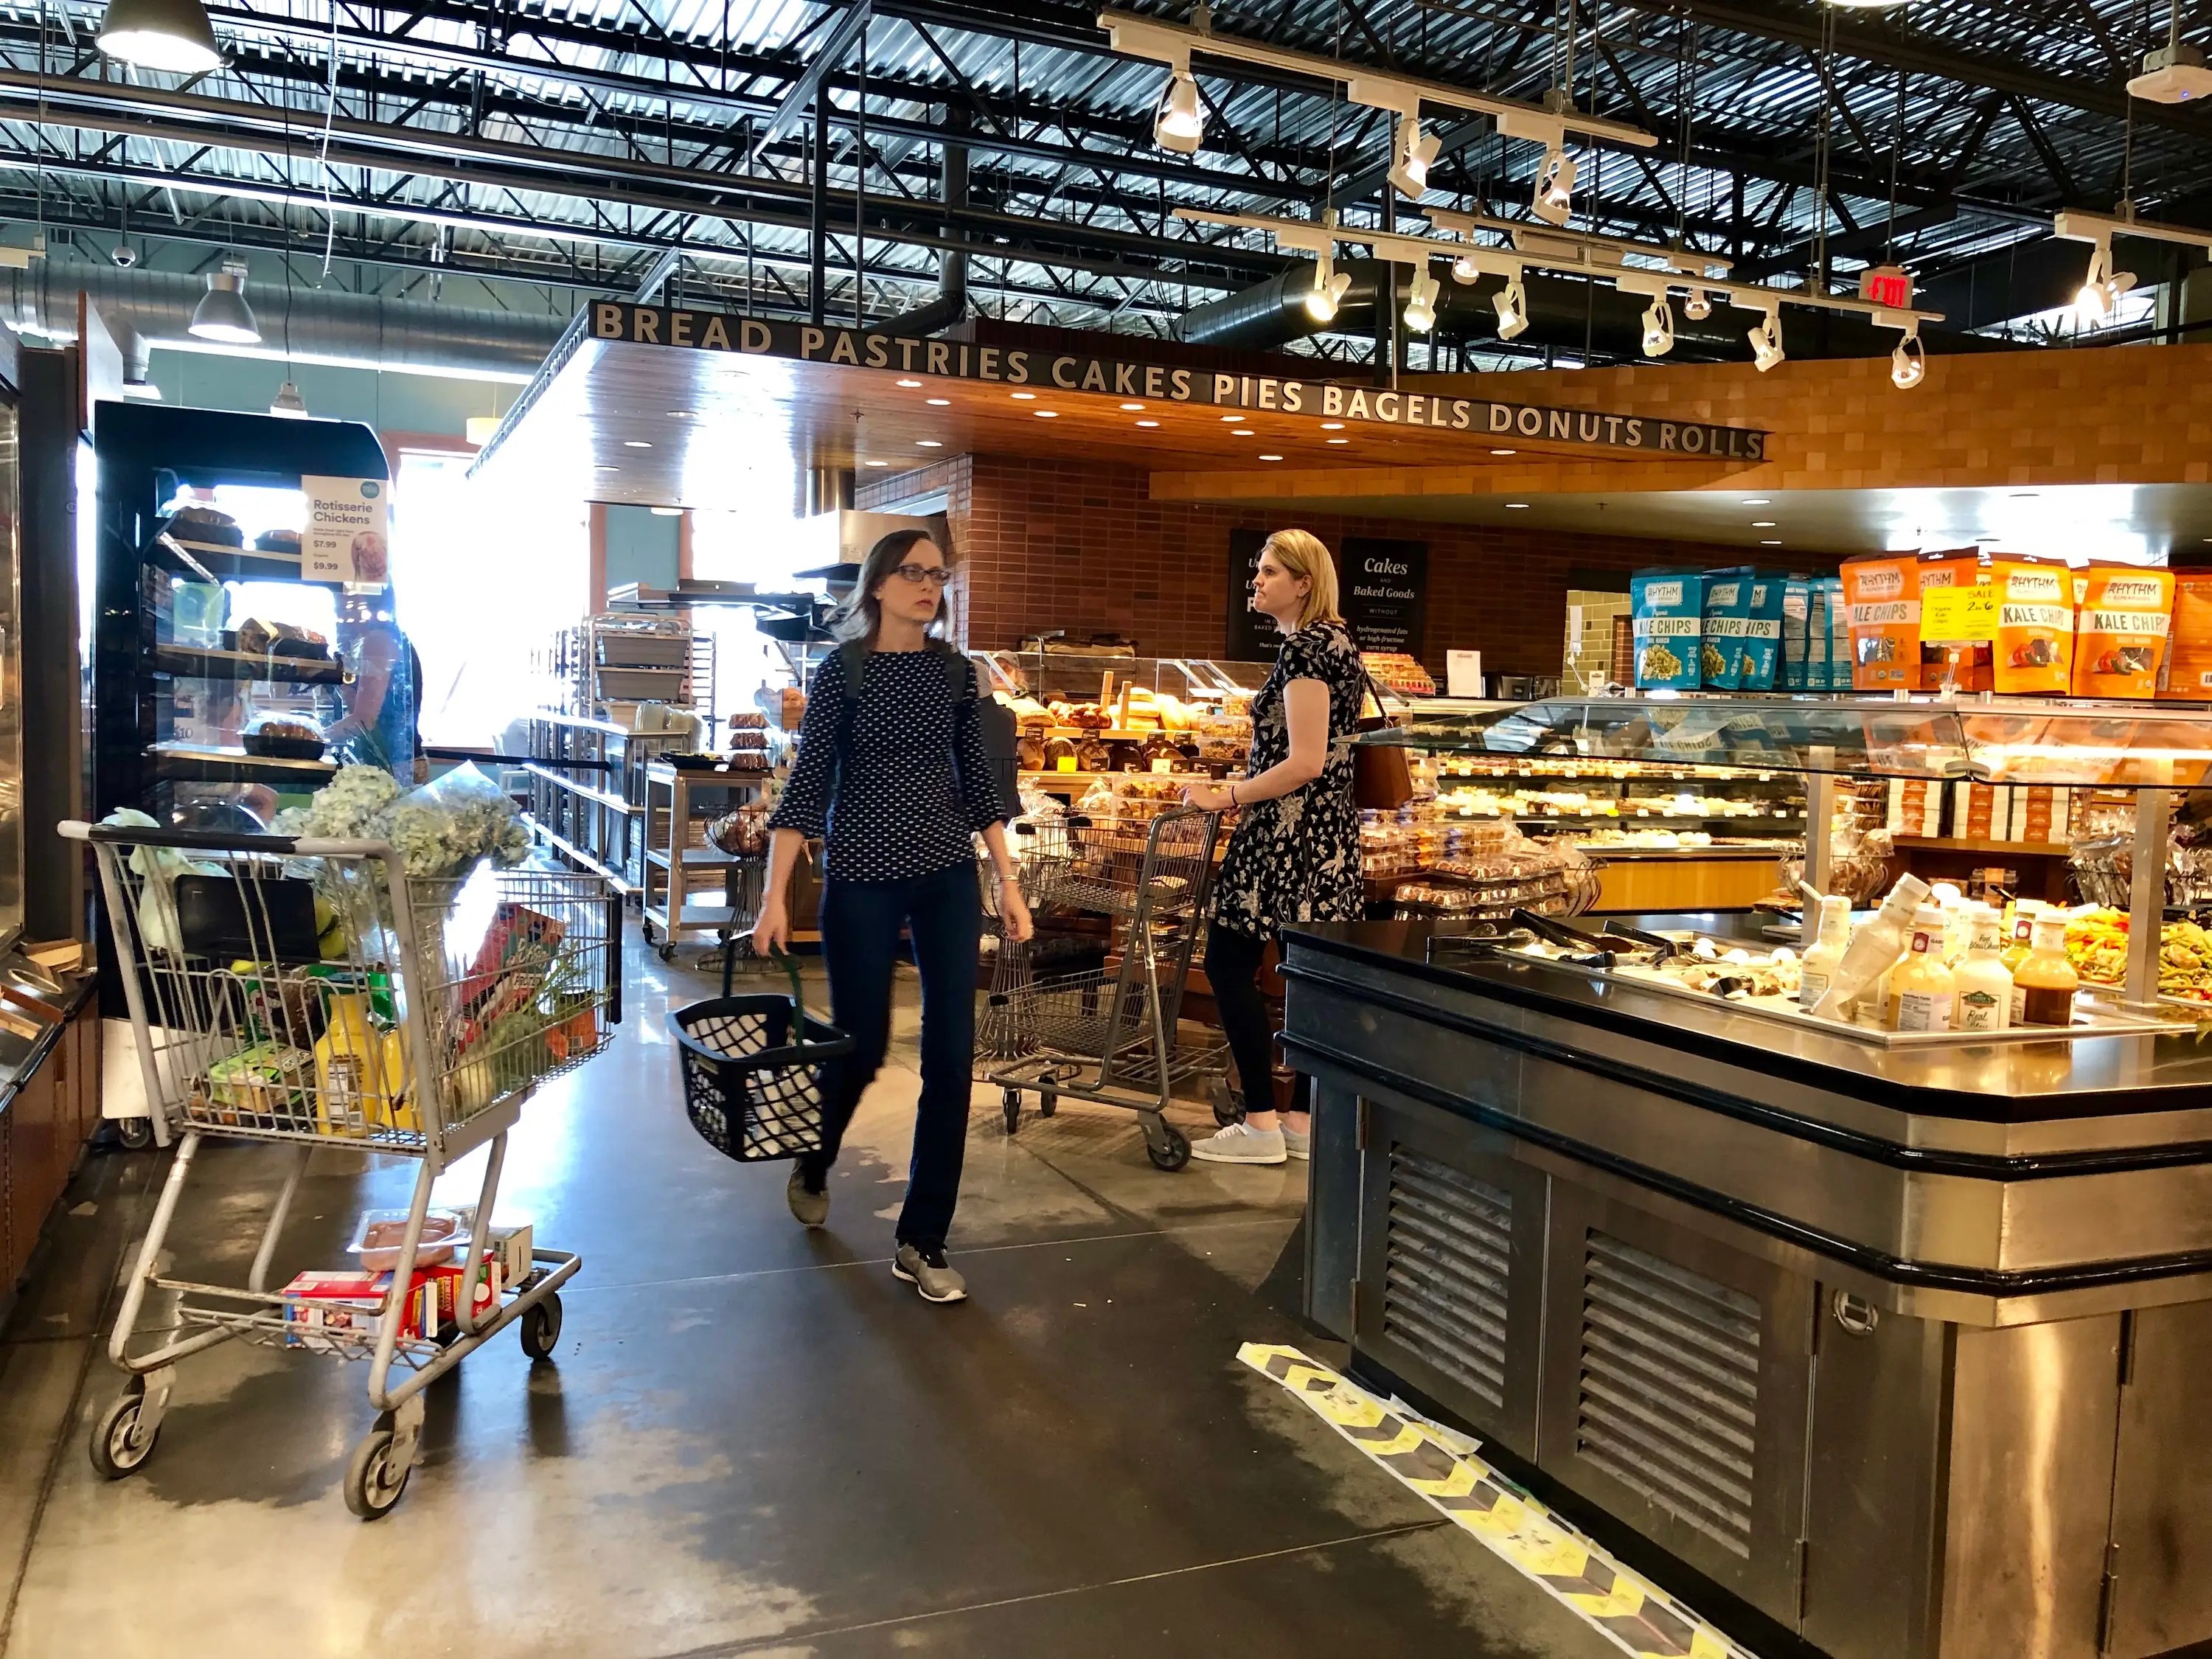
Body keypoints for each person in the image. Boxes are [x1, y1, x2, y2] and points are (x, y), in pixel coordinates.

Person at [753, 528, 1033, 1304]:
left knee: (951, 1055)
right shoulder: (843, 671)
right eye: (912, 572)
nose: (927, 586)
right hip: (863, 880)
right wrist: (774, 896)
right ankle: (817, 1157)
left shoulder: (957, 674)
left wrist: (1007, 881)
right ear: (878, 584)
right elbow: (806, 788)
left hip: (946, 877)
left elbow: (980, 785)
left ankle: (922, 1237)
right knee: (863, 1043)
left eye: (937, 575)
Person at [1180, 529, 1366, 1166]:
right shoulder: (1338, 641)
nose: (1255, 581)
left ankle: (1260, 1121)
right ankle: (1302, 1122)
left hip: (1286, 837)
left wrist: (1226, 796)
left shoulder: (1305, 650)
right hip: (1326, 838)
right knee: (1310, 977)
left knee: (1228, 963)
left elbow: (1305, 761)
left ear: (1303, 583)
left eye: (1269, 572)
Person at [322, 588, 422, 780]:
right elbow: (359, 709)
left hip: (393, 765)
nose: (342, 615)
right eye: (339, 608)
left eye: (349, 606)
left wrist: (317, 736)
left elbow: (364, 720)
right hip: (393, 762)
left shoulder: (378, 640)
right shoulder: (374, 638)